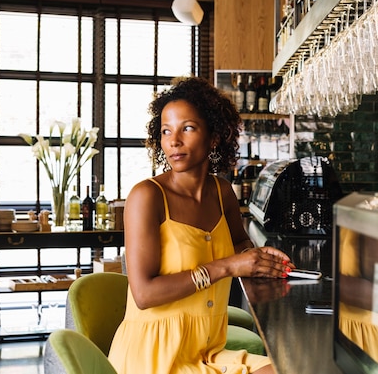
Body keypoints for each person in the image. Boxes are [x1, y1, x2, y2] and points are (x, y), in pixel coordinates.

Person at [108, 76, 294, 374]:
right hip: (154, 358)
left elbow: (240, 245)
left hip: (207, 352)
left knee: (294, 367)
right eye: (166, 131)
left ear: (214, 136)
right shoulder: (147, 196)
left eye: (188, 128)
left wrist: (263, 260)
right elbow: (144, 294)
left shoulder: (222, 193)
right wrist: (229, 266)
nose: (173, 141)